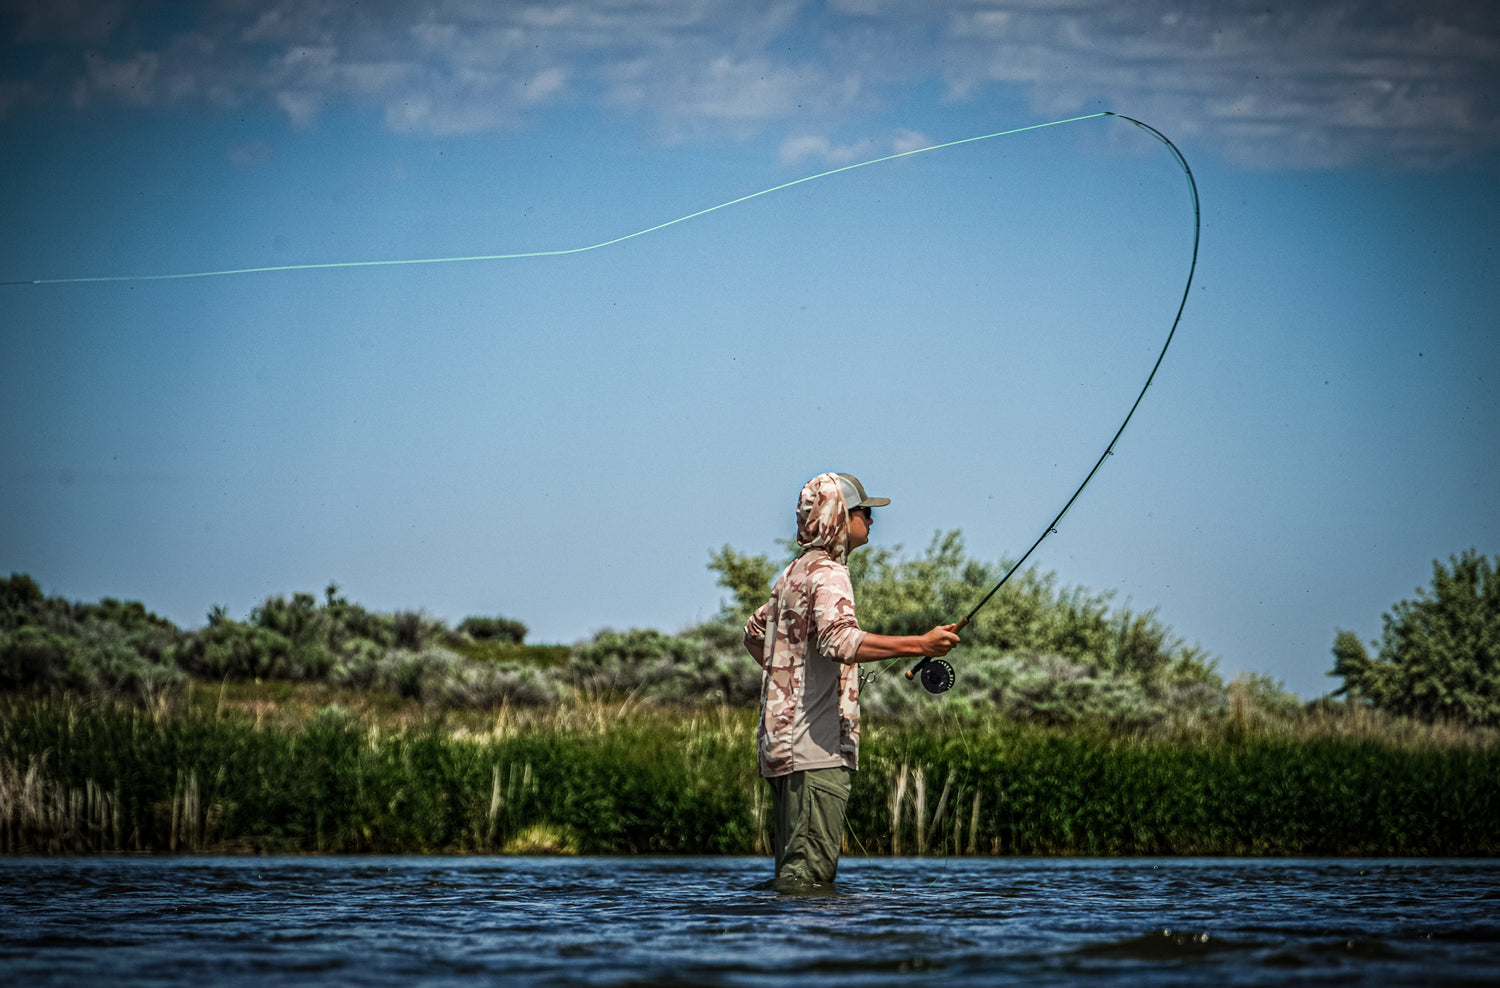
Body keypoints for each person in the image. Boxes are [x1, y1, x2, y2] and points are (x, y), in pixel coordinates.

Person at [743, 472, 960, 889]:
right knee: (806, 883)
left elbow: (755, 634)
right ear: (839, 516)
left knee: (793, 878)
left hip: (781, 748)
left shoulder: (793, 574)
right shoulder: (829, 573)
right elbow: (840, 640)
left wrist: (790, 683)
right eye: (864, 512)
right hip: (815, 750)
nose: (872, 521)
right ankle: (808, 953)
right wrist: (921, 643)